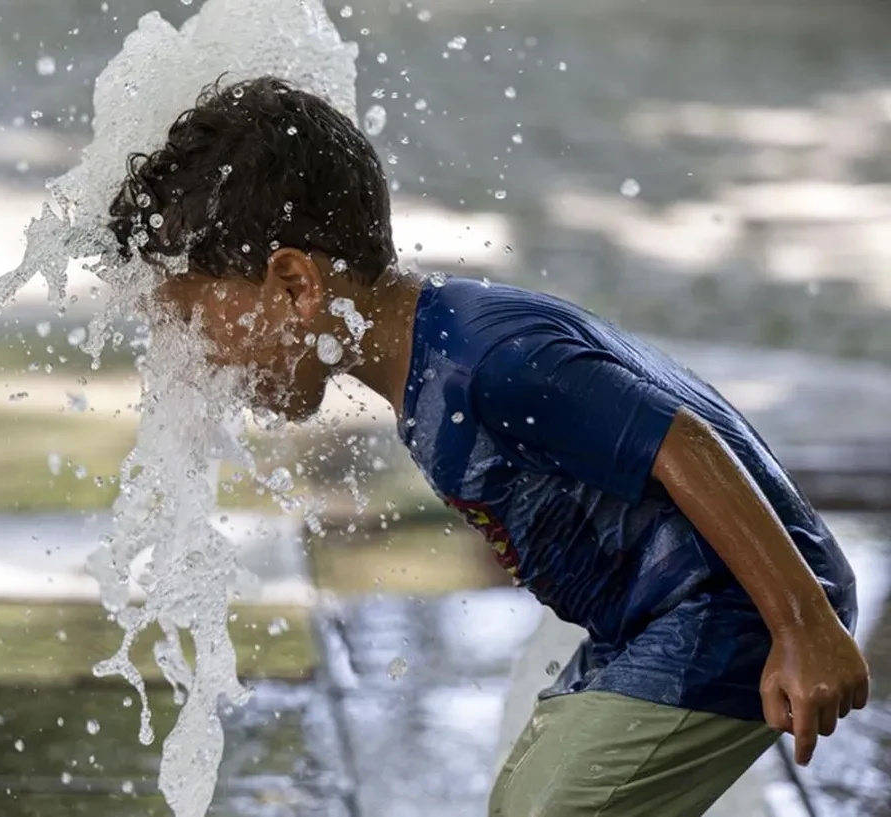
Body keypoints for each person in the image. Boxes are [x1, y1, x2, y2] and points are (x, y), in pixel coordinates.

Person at [106, 75, 871, 816]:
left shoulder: (487, 361)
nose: (194, 358)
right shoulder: (434, 363)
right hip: (658, 615)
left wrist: (802, 625)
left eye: (196, 323)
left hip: (735, 609)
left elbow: (687, 442)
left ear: (296, 285)